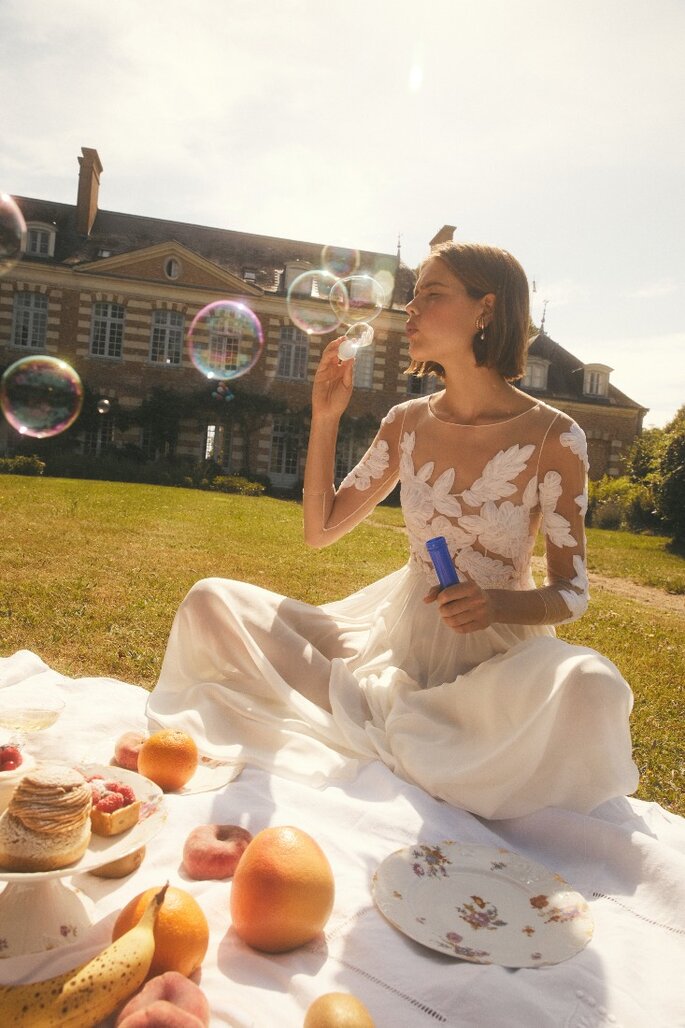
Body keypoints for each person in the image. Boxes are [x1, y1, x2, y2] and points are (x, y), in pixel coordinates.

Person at [147, 242, 639, 819]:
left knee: (591, 684)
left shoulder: (556, 436)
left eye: (431, 294)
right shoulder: (407, 421)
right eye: (413, 295)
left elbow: (571, 593)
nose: (410, 308)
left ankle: (439, 730)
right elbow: (320, 530)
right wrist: (325, 414)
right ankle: (410, 728)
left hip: (496, 668)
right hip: (394, 640)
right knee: (211, 601)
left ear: (486, 309)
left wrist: (495, 603)